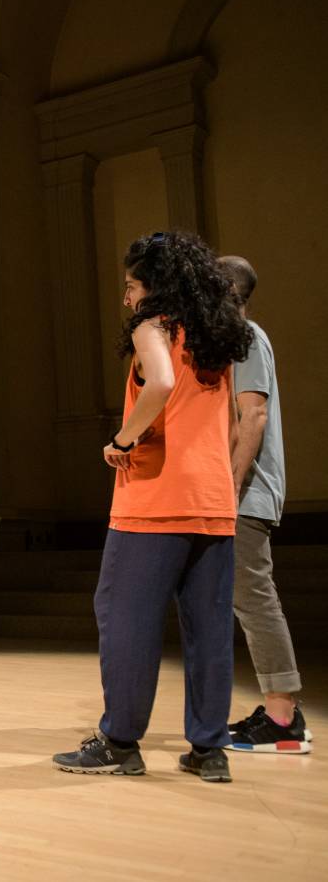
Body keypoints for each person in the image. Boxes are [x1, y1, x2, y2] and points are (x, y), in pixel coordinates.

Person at [53, 230, 251, 782]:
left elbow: (160, 382)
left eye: (132, 286)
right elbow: (231, 423)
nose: (127, 298)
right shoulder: (217, 337)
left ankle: (119, 742)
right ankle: (209, 751)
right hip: (212, 502)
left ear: (156, 289)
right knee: (208, 630)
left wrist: (123, 439)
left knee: (125, 623)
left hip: (155, 502)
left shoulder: (152, 327)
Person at [219, 255, 312, 754]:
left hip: (246, 491)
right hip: (239, 489)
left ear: (229, 290)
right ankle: (278, 708)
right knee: (243, 597)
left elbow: (252, 414)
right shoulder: (233, 342)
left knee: (253, 596)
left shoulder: (248, 338)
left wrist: (229, 489)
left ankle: (283, 718)